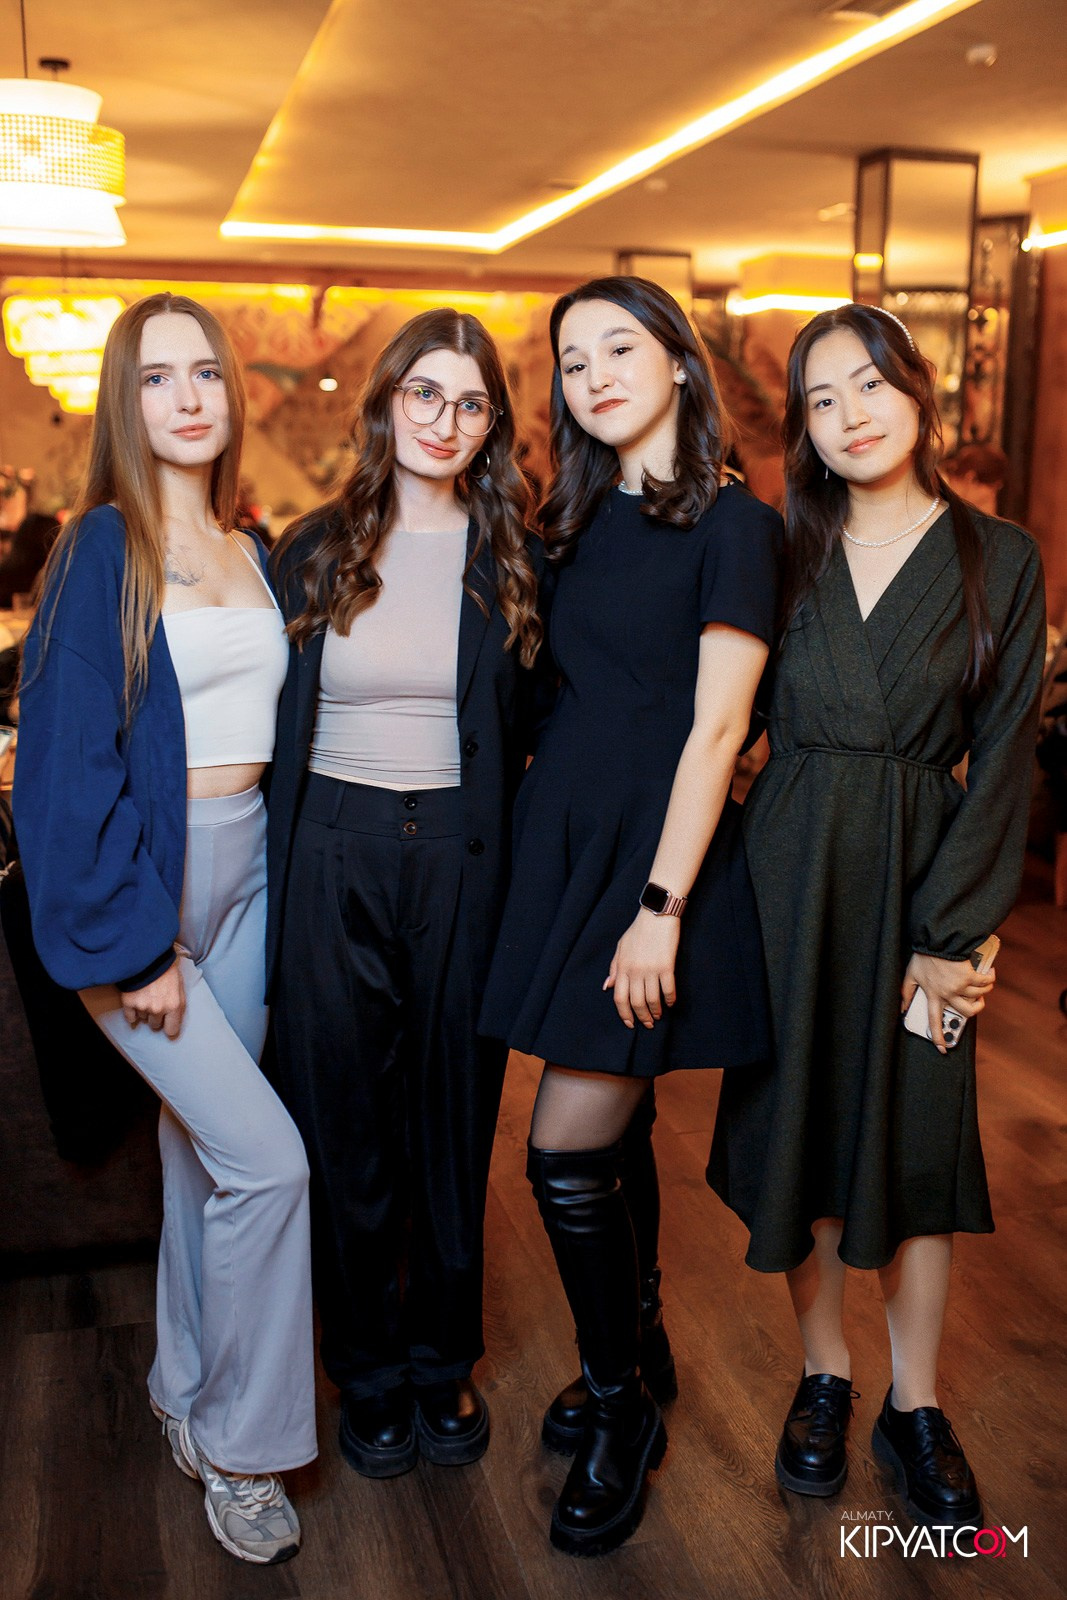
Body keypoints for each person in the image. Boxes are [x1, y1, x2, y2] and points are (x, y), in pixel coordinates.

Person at [708, 303, 1046, 1529]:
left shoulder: (996, 556)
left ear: (916, 391)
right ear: (800, 427)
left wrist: (952, 935)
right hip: (783, 881)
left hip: (919, 885)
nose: (849, 415)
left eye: (868, 385)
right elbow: (716, 718)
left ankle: (915, 1402)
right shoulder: (779, 549)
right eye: (820, 399)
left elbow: (1003, 755)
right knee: (794, 1135)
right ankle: (823, 1373)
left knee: (915, 1143)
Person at [480, 276, 781, 1556]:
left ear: (678, 363)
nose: (594, 373)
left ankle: (620, 1407)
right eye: (572, 358)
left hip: (653, 861)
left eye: (620, 346)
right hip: (564, 844)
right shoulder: (571, 519)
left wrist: (659, 907)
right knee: (615, 1125)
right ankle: (640, 1347)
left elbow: (717, 729)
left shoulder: (736, 524)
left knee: (560, 1151)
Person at [14, 293, 316, 1565]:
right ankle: (246, 1451)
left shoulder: (254, 548)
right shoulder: (101, 546)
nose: (187, 396)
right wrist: (134, 945)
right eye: (155, 377)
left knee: (203, 1158)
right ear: (123, 403)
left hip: (249, 874)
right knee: (271, 1162)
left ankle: (185, 1393)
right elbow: (61, 766)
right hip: (147, 886)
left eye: (204, 372)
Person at [267, 308, 543, 1480]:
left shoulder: (515, 558)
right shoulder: (311, 549)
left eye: (471, 403)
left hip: (461, 861)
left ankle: (441, 1358)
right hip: (330, 850)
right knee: (343, 1121)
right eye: (424, 394)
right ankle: (366, 1369)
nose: (444, 420)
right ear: (386, 402)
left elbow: (538, 733)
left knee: (451, 1118)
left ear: (491, 425)